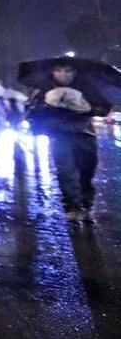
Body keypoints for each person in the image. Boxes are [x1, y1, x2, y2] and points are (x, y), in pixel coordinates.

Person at [23, 57, 110, 223]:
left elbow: (103, 108)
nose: (63, 74)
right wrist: (48, 106)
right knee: (66, 171)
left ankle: (87, 204)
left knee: (86, 170)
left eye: (67, 70)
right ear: (53, 71)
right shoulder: (43, 88)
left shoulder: (87, 86)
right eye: (58, 70)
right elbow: (31, 110)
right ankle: (72, 207)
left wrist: (89, 109)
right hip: (59, 133)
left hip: (84, 133)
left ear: (74, 71)